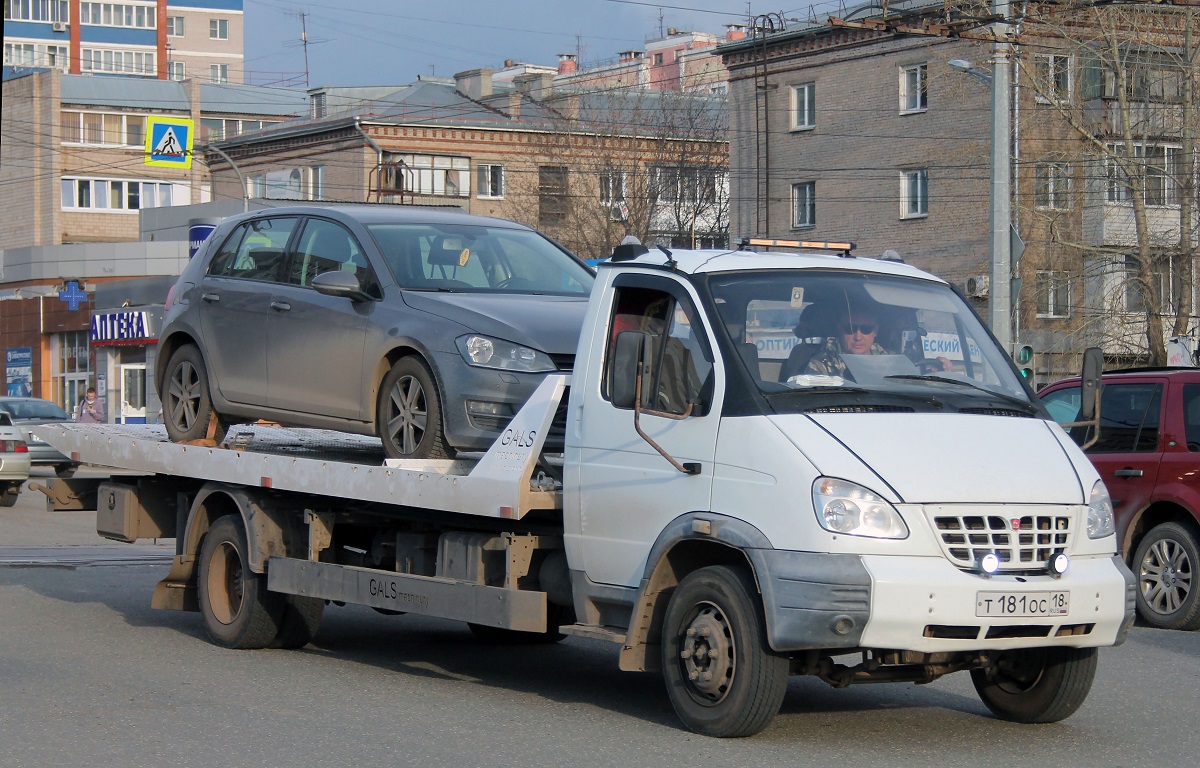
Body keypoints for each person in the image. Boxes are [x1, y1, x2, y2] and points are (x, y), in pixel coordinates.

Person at [803, 304, 889, 378]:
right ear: (840, 329)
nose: (858, 337)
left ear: (876, 331)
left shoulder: (890, 363)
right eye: (850, 329)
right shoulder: (821, 364)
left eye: (866, 329)